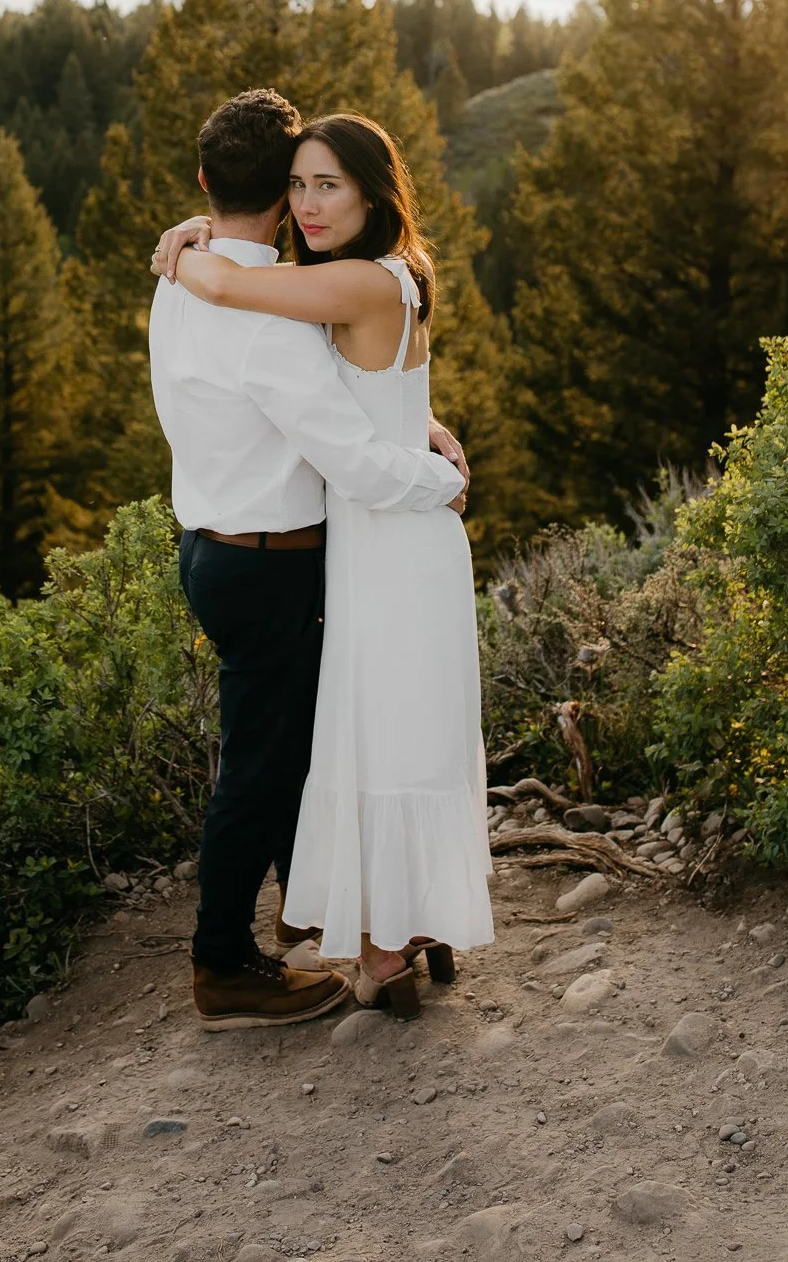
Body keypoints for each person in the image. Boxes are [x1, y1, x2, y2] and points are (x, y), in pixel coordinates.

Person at [152, 109, 493, 1017]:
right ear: (277, 193)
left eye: (328, 184)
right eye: (299, 185)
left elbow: (340, 399)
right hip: (279, 559)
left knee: (332, 741)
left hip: (220, 549)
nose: (308, 202)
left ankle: (350, 924)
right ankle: (232, 958)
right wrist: (434, 474)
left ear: (204, 187)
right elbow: (347, 446)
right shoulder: (266, 303)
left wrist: (183, 250)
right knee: (285, 758)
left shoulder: (187, 286)